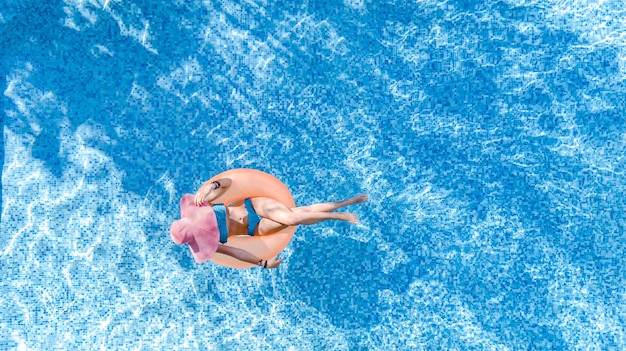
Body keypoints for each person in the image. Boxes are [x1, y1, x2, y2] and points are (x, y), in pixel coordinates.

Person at [192, 177, 367, 269]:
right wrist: (264, 263)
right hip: (254, 229)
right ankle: (347, 202)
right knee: (300, 213)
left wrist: (210, 187)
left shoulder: (201, 207)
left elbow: (227, 183)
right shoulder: (207, 243)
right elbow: (236, 252)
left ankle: (339, 216)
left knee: (292, 218)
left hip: (253, 207)